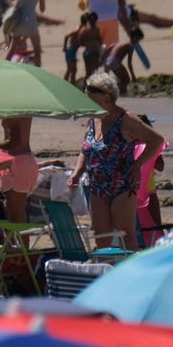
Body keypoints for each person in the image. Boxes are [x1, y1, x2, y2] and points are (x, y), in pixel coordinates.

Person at [69, 71, 164, 251]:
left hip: (121, 185)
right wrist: (77, 172)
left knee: (126, 236)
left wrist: (138, 164)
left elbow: (156, 140)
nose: (86, 97)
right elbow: (86, 148)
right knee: (101, 237)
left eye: (90, 94)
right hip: (97, 186)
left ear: (106, 96)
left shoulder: (126, 119)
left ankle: (132, 275)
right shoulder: (93, 119)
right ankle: (109, 272)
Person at [0, 117, 38, 224]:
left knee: (16, 215)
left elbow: (14, 143)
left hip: (17, 162)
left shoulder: (14, 113)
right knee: (17, 212)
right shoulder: (21, 111)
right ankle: (19, 240)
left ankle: (19, 240)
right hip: (23, 161)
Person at [4, 0, 45, 66]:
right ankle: (38, 72)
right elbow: (42, 9)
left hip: (19, 19)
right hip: (31, 20)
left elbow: (10, 1)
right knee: (37, 49)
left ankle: (3, 67)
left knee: (12, 48)